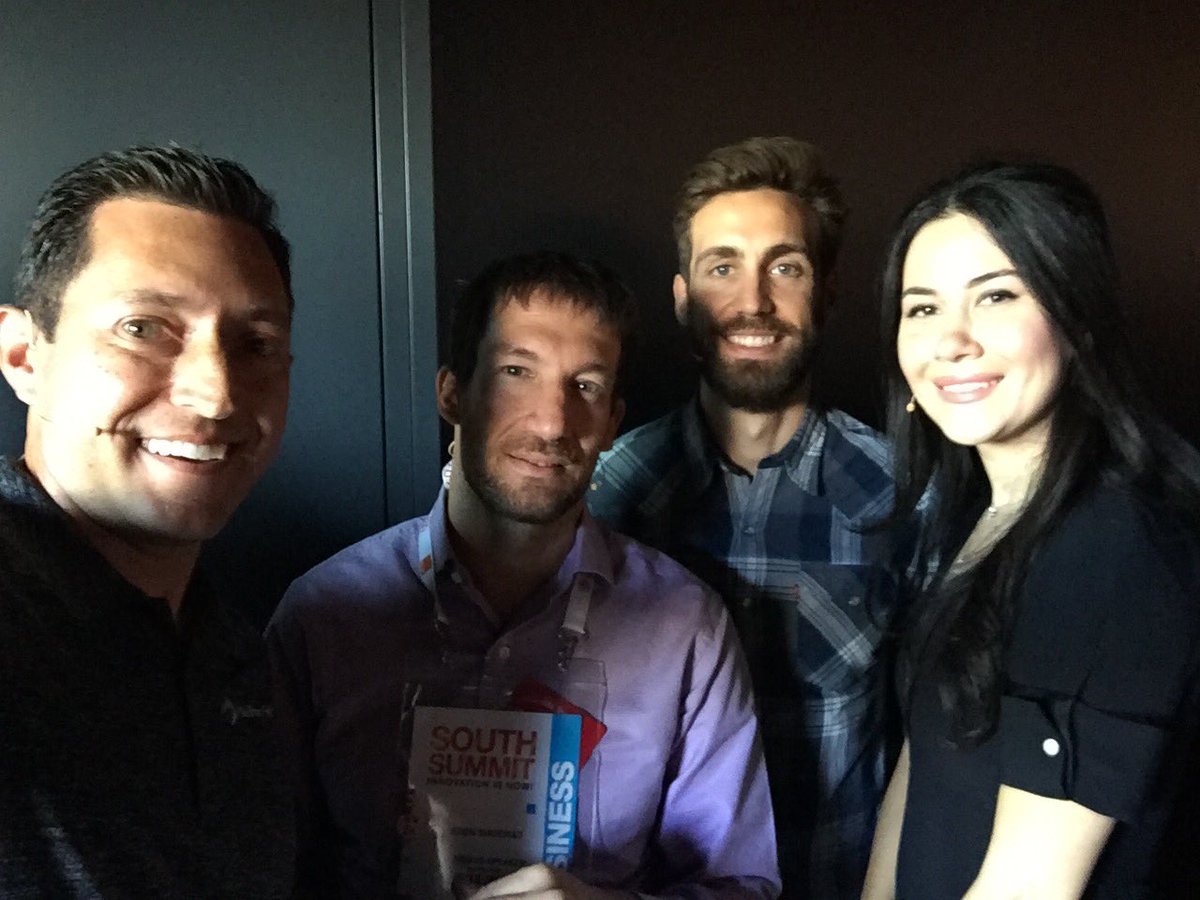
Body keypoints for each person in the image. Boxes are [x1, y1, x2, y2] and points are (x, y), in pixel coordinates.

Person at [268, 252, 779, 898]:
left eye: (585, 386)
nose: (552, 421)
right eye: (517, 372)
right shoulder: (322, 619)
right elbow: (261, 871)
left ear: (613, 421)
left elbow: (741, 886)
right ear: (452, 394)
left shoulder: (685, 628)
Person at [859, 162, 1200, 899]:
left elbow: (1031, 886)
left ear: (1077, 320)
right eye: (922, 308)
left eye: (996, 296)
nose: (951, 340)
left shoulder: (1111, 549)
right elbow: (923, 768)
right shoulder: (979, 517)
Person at [588, 137, 913, 899]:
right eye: (722, 267)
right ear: (681, 296)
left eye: (786, 267)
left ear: (826, 292)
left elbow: (936, 749)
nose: (755, 300)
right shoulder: (608, 492)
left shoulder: (903, 495)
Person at [0, 146, 295, 895]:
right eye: (143, 327)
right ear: (24, 355)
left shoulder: (236, 656)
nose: (216, 394)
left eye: (256, 345)